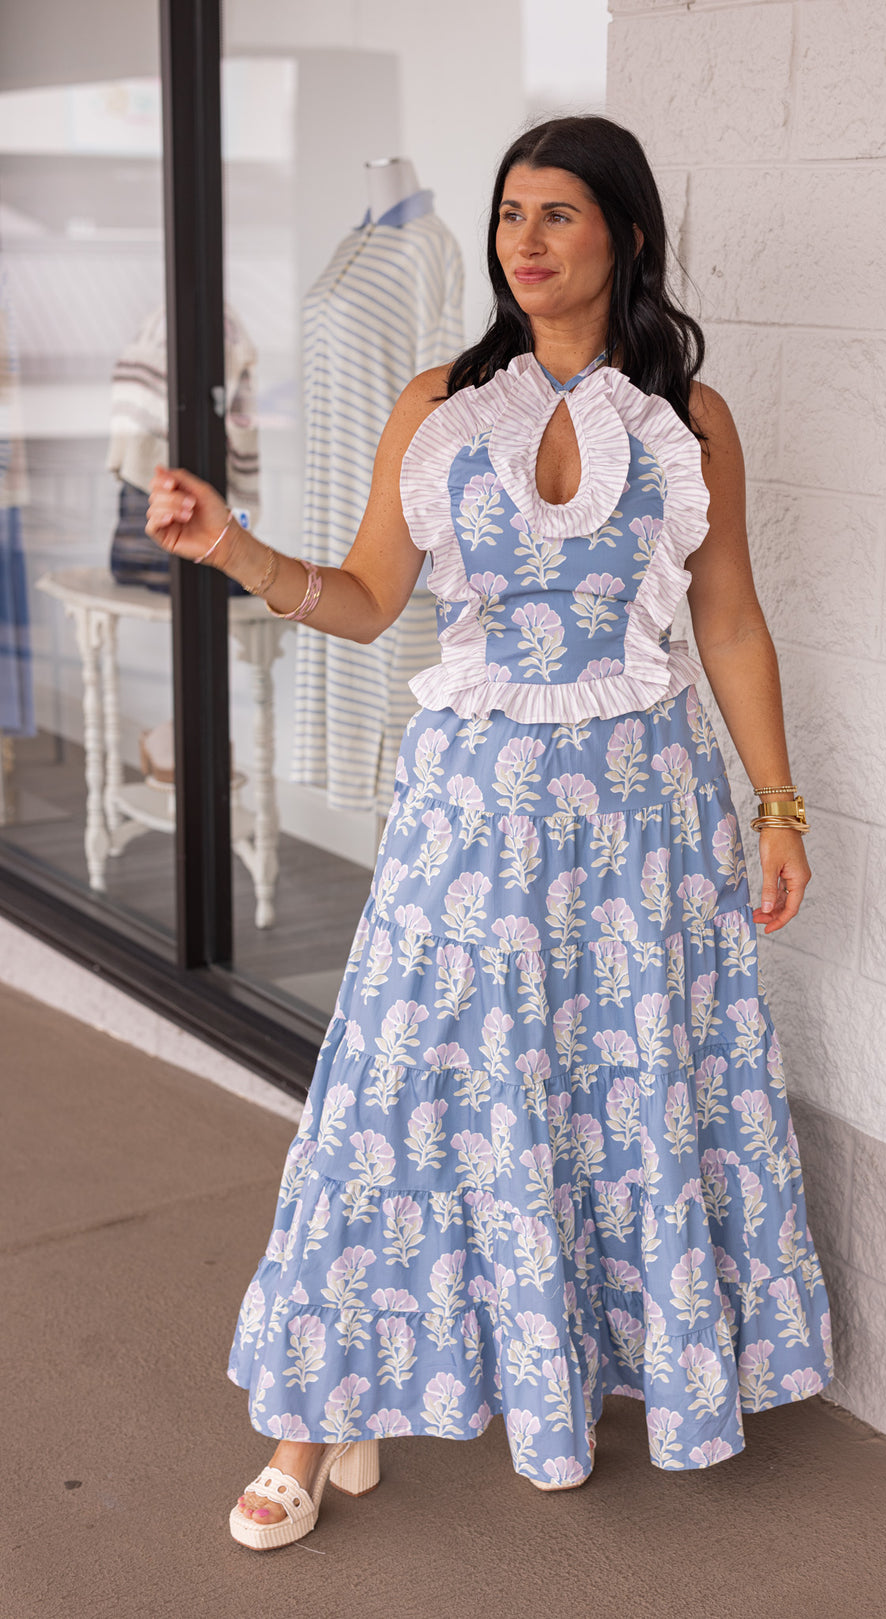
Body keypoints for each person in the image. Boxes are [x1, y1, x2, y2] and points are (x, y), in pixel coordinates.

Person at [146, 115, 832, 1552]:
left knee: (611, 1099)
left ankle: (553, 1374)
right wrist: (235, 550)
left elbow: (730, 621)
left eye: (559, 215)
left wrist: (776, 804)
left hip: (645, 822)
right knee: (393, 1095)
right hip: (470, 820)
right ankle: (313, 1424)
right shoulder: (437, 406)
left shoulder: (691, 423)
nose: (525, 240)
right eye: (510, 213)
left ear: (627, 238)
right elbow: (362, 599)